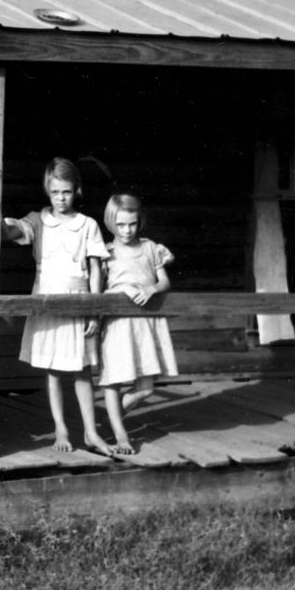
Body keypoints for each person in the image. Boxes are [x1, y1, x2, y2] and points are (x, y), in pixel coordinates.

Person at [2, 157, 112, 455]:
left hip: (78, 303)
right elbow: (12, 231)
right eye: (55, 192)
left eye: (66, 192)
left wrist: (95, 309)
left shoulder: (87, 225)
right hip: (48, 302)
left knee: (82, 369)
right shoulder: (38, 220)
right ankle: (61, 427)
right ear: (47, 191)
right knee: (53, 368)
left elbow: (96, 271)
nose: (61, 198)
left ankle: (90, 432)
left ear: (76, 190)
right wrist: (2, 221)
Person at [98, 193, 179, 453]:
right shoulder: (106, 253)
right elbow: (98, 290)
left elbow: (164, 281)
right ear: (112, 223)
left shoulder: (149, 248)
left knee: (145, 387)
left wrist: (152, 289)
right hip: (118, 323)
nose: (126, 230)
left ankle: (112, 416)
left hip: (144, 323)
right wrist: (120, 293)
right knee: (114, 378)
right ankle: (121, 435)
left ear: (139, 221)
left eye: (132, 223)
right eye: (120, 224)